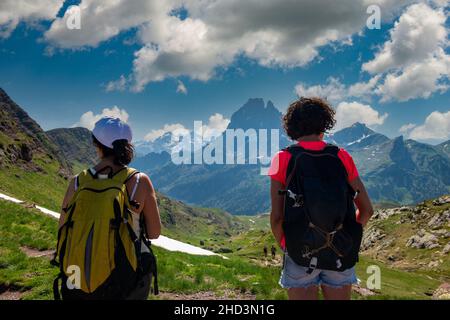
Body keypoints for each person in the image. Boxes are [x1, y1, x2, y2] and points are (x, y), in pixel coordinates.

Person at [269, 97, 373, 300]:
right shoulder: (342, 156)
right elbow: (367, 210)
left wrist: (286, 243)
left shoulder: (281, 159)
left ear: (291, 127)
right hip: (340, 252)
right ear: (325, 123)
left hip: (300, 251)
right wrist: (349, 235)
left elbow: (277, 218)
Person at [55, 117, 161, 300]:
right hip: (122, 277)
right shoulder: (138, 181)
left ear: (97, 144)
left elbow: (62, 229)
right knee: (145, 260)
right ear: (127, 145)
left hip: (77, 275)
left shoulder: (77, 182)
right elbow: (154, 233)